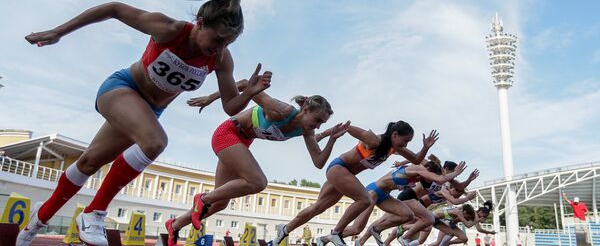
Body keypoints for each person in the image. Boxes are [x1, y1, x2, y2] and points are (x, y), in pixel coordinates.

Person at [17, 0, 271, 245]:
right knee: (154, 142)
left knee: (88, 163)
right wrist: (59, 32)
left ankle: (37, 220)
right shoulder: (169, 29)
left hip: (149, 110)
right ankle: (94, 213)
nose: (219, 48)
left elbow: (230, 106)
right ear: (200, 22)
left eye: (227, 43)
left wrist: (249, 93)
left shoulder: (221, 60)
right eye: (217, 39)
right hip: (122, 88)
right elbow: (114, 8)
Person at [165, 93, 350, 246]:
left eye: (322, 124)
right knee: (258, 182)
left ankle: (175, 224)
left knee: (220, 203)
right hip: (228, 133)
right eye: (318, 120)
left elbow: (318, 161)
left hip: (242, 143)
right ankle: (203, 199)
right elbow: (246, 85)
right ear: (306, 109)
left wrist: (331, 138)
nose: (318, 126)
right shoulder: (283, 111)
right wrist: (211, 98)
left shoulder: (306, 131)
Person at [274, 124, 440, 246]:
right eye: (404, 141)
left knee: (318, 207)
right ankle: (336, 233)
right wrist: (322, 136)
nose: (405, 146)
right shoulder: (374, 140)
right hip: (339, 167)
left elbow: (417, 159)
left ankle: (285, 229)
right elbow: (348, 128)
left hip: (346, 175)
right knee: (365, 200)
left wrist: (425, 147)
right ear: (394, 134)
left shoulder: (393, 148)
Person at [354, 157, 466, 246]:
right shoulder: (432, 171)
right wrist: (400, 163)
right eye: (454, 172)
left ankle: (364, 240)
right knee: (425, 222)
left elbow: (459, 186)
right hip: (409, 196)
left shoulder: (447, 182)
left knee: (389, 219)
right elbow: (416, 158)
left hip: (415, 200)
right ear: (447, 169)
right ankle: (403, 237)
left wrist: (469, 180)